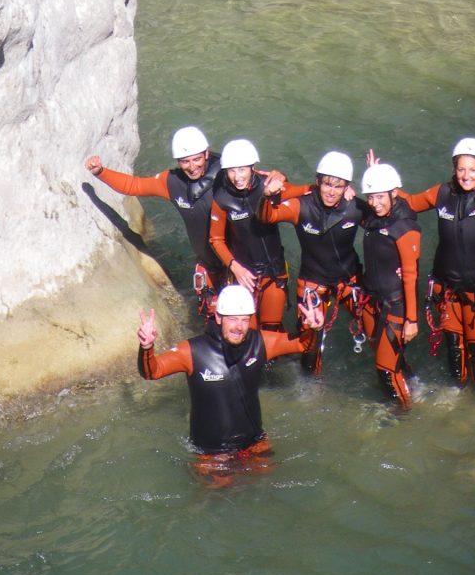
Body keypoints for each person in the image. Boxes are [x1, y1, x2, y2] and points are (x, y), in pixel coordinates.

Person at [137, 284, 324, 487]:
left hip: (254, 441)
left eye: (245, 319)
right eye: (233, 319)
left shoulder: (260, 342)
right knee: (214, 497)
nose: (239, 326)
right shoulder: (191, 351)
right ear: (218, 318)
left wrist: (314, 329)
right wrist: (146, 347)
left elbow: (303, 345)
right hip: (211, 452)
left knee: (267, 485)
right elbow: (152, 371)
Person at [397, 137, 475, 393]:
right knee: (454, 346)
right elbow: (409, 202)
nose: (466, 176)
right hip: (447, 287)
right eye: (461, 169)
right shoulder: (442, 193)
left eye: (473, 170)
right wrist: (385, 187)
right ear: (454, 168)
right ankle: (457, 390)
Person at [85, 125, 223, 315]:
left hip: (241, 263)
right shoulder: (172, 182)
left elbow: (262, 186)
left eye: (196, 159)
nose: (192, 167)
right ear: (178, 161)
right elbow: (134, 186)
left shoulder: (230, 176)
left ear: (207, 154)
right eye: (185, 161)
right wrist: (101, 172)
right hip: (210, 263)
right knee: (216, 324)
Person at [258, 151, 364, 374]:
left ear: (347, 187)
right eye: (327, 184)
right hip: (313, 280)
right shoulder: (301, 206)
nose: (331, 191)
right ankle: (310, 382)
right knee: (309, 341)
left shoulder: (355, 208)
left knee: (374, 325)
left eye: (338, 186)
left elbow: (385, 224)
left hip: (349, 279)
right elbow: (268, 217)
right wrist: (267, 196)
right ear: (317, 182)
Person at [208, 139, 308, 332]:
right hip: (243, 274)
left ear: (253, 167)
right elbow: (216, 239)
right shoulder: (222, 199)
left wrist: (344, 189)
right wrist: (235, 268)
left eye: (242, 170)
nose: (237, 177)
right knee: (246, 334)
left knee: (271, 330)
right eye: (231, 171)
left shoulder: (269, 187)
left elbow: (308, 190)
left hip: (274, 273)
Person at [357, 160, 421, 408]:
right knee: (391, 359)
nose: (374, 203)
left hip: (395, 306)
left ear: (395, 193)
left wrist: (412, 320)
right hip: (373, 302)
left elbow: (410, 275)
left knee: (385, 370)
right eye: (370, 197)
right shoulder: (374, 218)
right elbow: (364, 210)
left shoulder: (405, 228)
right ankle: (415, 385)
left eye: (380, 196)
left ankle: (404, 413)